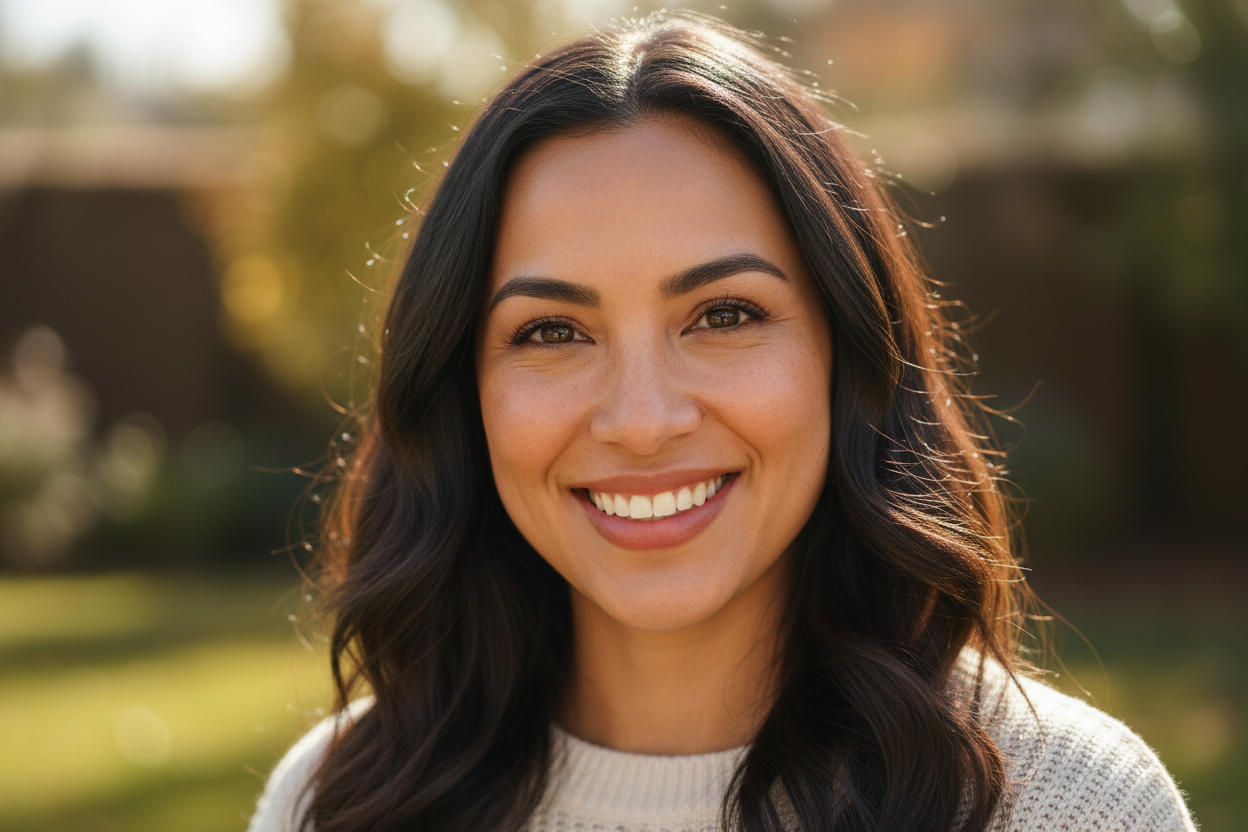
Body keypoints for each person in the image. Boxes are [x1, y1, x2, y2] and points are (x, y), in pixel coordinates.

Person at [249, 12, 1197, 832]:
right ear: (464, 389)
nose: (642, 419)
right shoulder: (337, 802)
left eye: (725, 315)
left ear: (847, 352)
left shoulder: (1063, 804)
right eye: (551, 331)